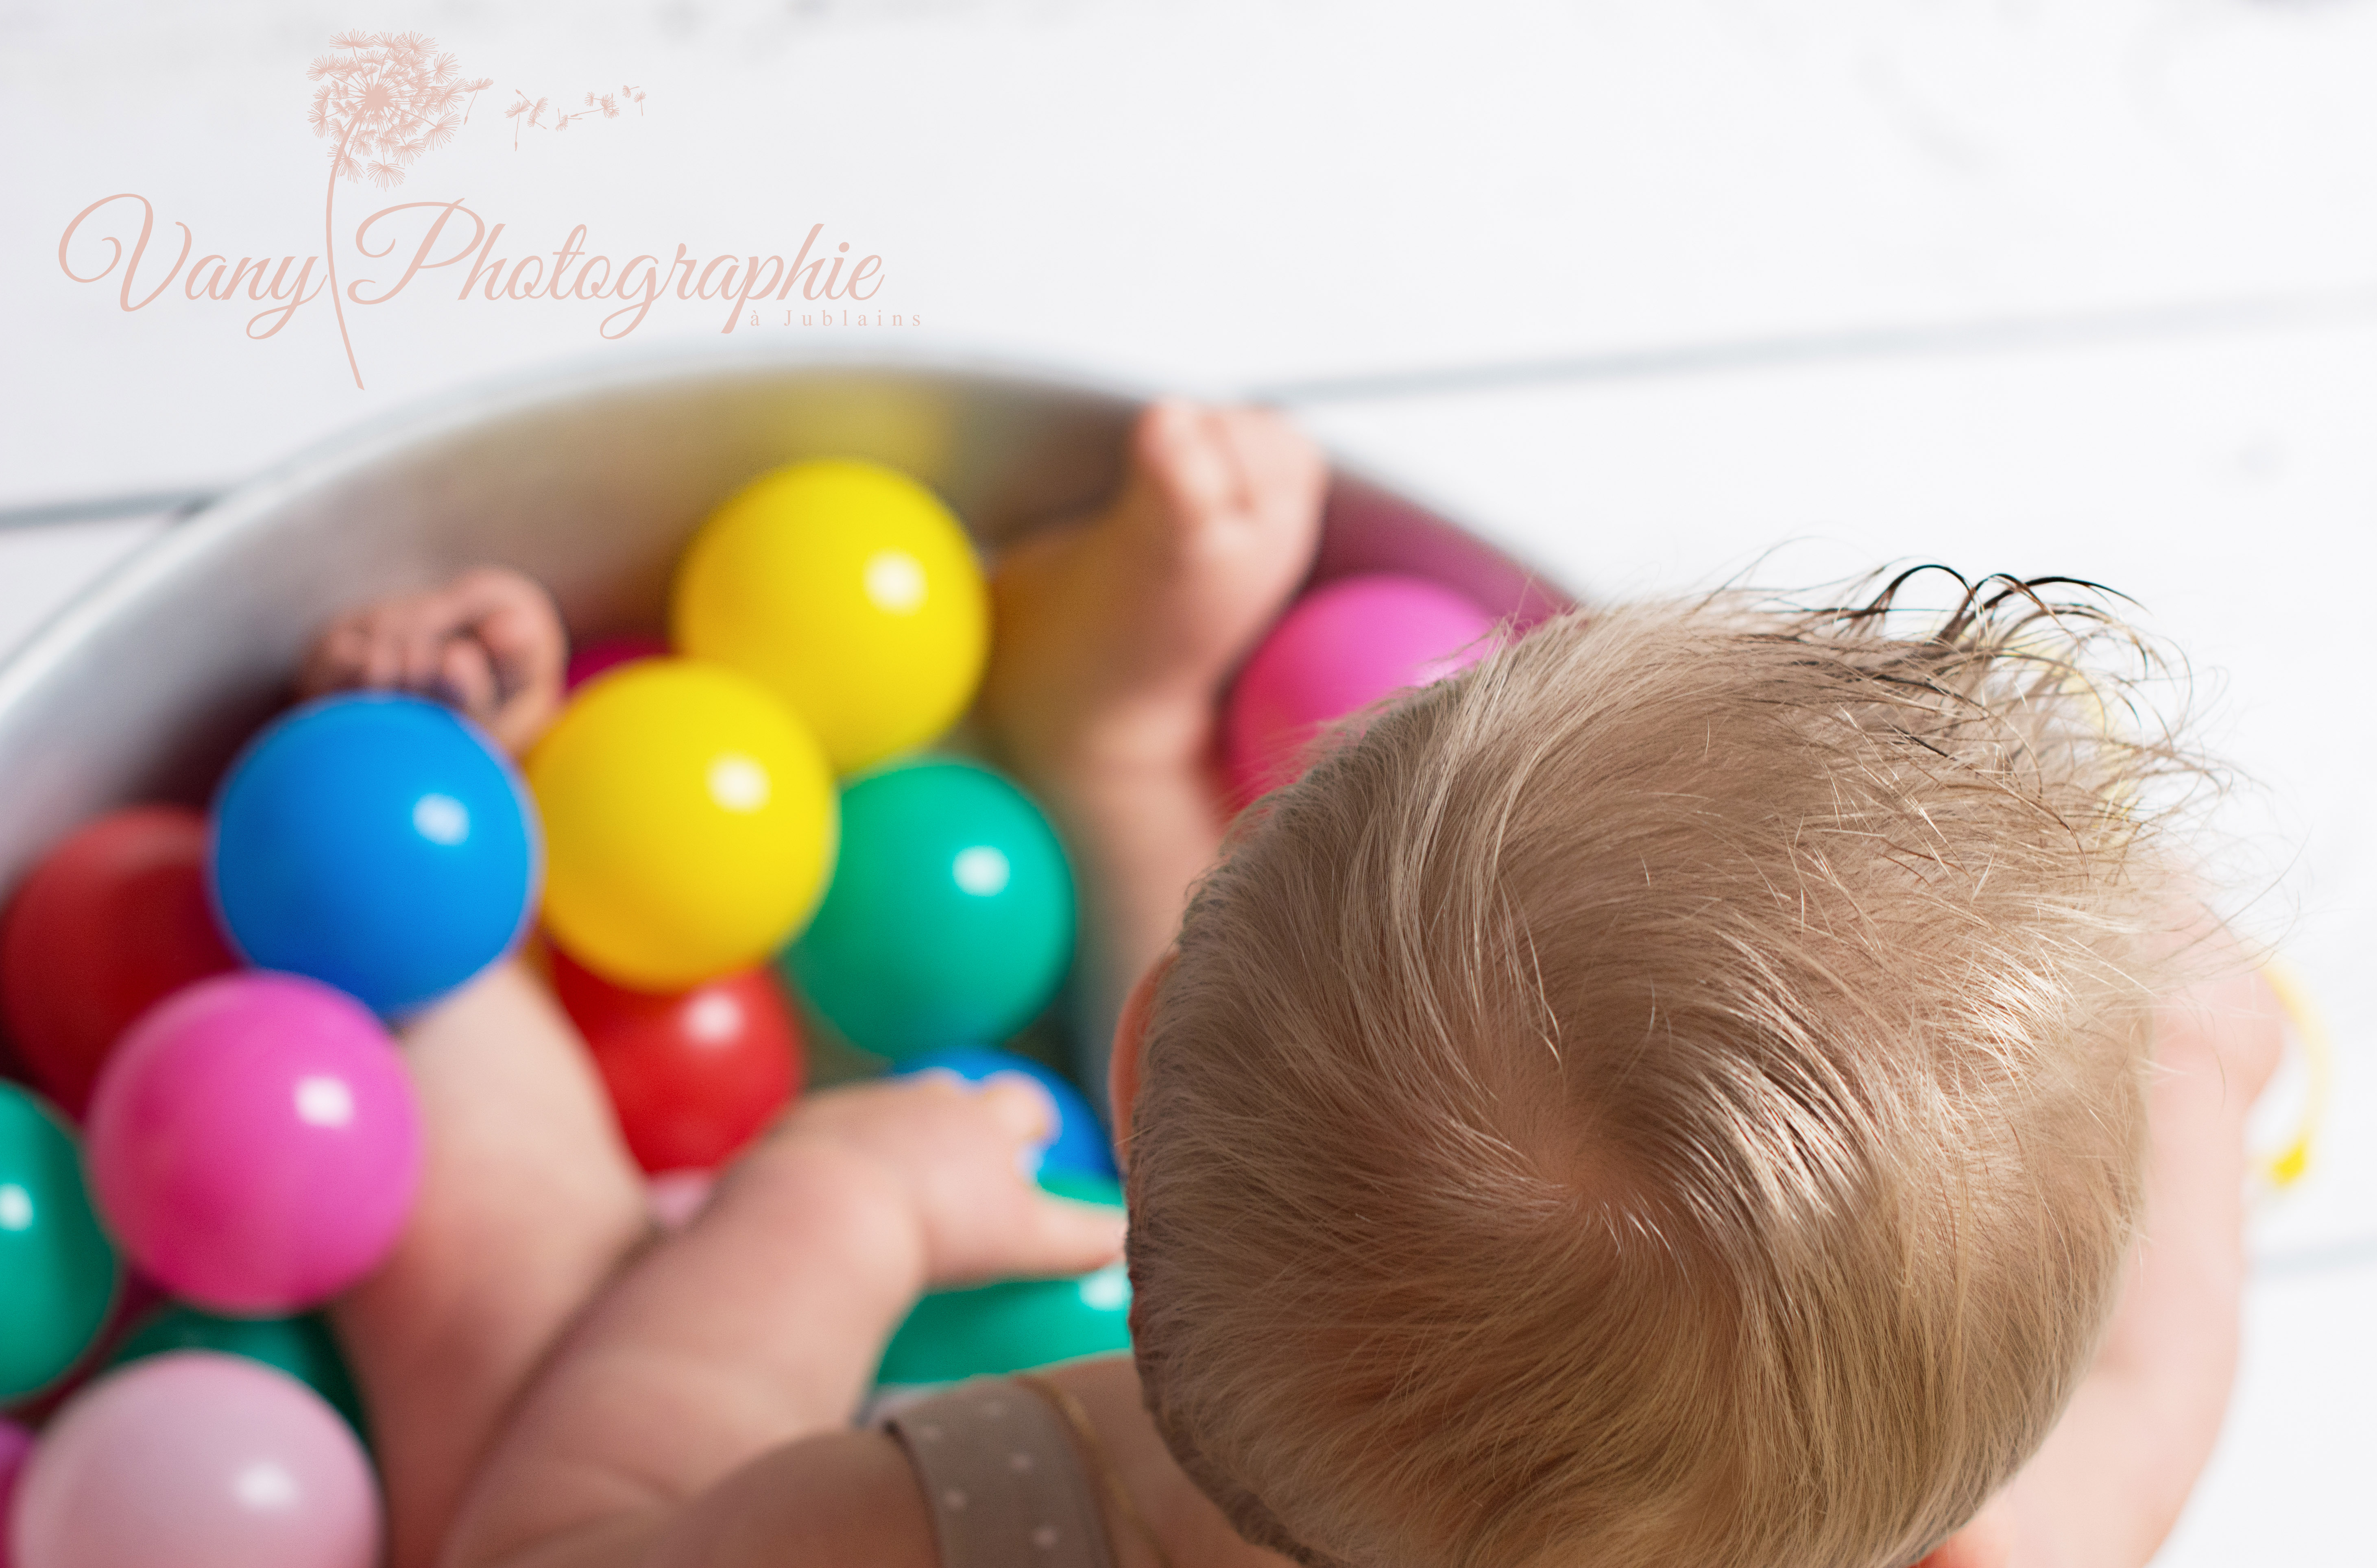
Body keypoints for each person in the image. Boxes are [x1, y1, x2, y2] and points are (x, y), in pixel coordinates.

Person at [302, 402, 2279, 1568]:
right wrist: (2187, 1068)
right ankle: (1116, 753)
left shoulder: (958, 1522)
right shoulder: (1993, 1549)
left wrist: (836, 1207)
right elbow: (2152, 1366)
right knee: (1411, 1105)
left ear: (1135, 1055)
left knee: (554, 1309)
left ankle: (419, 938)